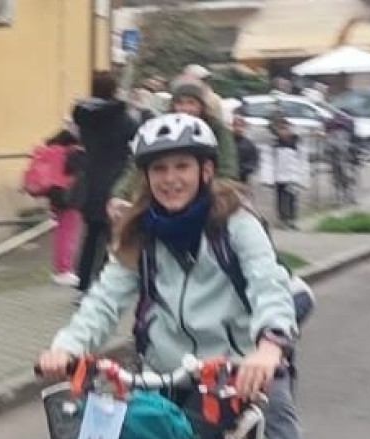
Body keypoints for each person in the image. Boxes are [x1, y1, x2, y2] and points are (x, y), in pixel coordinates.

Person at [40, 113, 293, 439]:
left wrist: (269, 346)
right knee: (124, 433)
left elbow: (267, 283)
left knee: (187, 436)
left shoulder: (236, 224)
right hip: (161, 369)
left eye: (182, 166)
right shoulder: (140, 232)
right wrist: (67, 347)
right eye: (159, 168)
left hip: (230, 369)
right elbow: (104, 301)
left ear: (206, 170)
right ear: (145, 176)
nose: (170, 179)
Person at [110, 79, 238, 210]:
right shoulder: (160, 129)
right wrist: (120, 194)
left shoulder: (218, 130)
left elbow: (228, 170)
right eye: (180, 103)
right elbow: (137, 165)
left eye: (191, 103)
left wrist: (209, 193)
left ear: (201, 106)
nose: (185, 108)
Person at [72, 72, 138, 289]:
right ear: (114, 90)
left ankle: (83, 281)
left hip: (90, 178)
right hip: (115, 178)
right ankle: (106, 281)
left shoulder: (84, 116)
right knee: (113, 234)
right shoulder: (122, 118)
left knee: (91, 234)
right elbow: (136, 139)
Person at [38, 121, 89, 285]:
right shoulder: (73, 151)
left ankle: (62, 269)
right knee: (68, 233)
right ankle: (63, 270)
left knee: (62, 232)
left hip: (57, 194)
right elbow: (78, 168)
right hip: (70, 196)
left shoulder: (54, 147)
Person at [262, 122, 310, 229]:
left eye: (285, 129)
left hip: (293, 177)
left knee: (292, 199)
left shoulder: (296, 144)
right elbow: (268, 162)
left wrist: (303, 178)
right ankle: (283, 219)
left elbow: (302, 161)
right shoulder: (275, 145)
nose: (283, 132)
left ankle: (292, 219)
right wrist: (268, 178)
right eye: (281, 129)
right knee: (282, 199)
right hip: (280, 178)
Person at [230, 114, 260, 185]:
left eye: (240, 126)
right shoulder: (227, 142)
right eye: (236, 125)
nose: (238, 128)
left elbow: (253, 163)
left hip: (242, 179)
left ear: (244, 127)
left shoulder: (249, 145)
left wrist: (241, 170)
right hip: (227, 178)